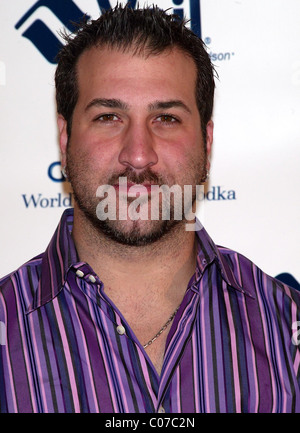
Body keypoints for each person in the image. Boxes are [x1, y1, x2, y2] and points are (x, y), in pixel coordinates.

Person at [0, 5, 299, 414]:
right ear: (65, 138)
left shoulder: (287, 330)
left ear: (206, 144)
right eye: (108, 117)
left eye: (166, 118)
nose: (138, 155)